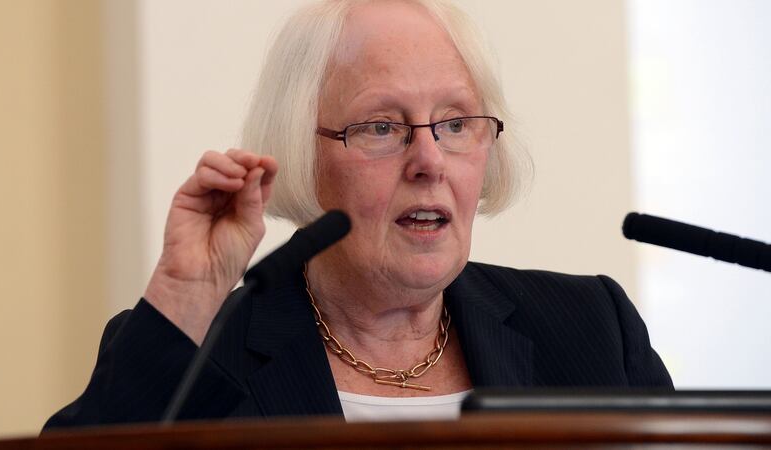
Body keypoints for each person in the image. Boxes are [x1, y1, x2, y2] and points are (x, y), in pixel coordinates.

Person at [45, 0, 671, 428]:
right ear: (301, 151)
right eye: (380, 126)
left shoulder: (592, 330)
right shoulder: (203, 353)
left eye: (455, 123)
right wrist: (186, 295)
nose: (429, 160)